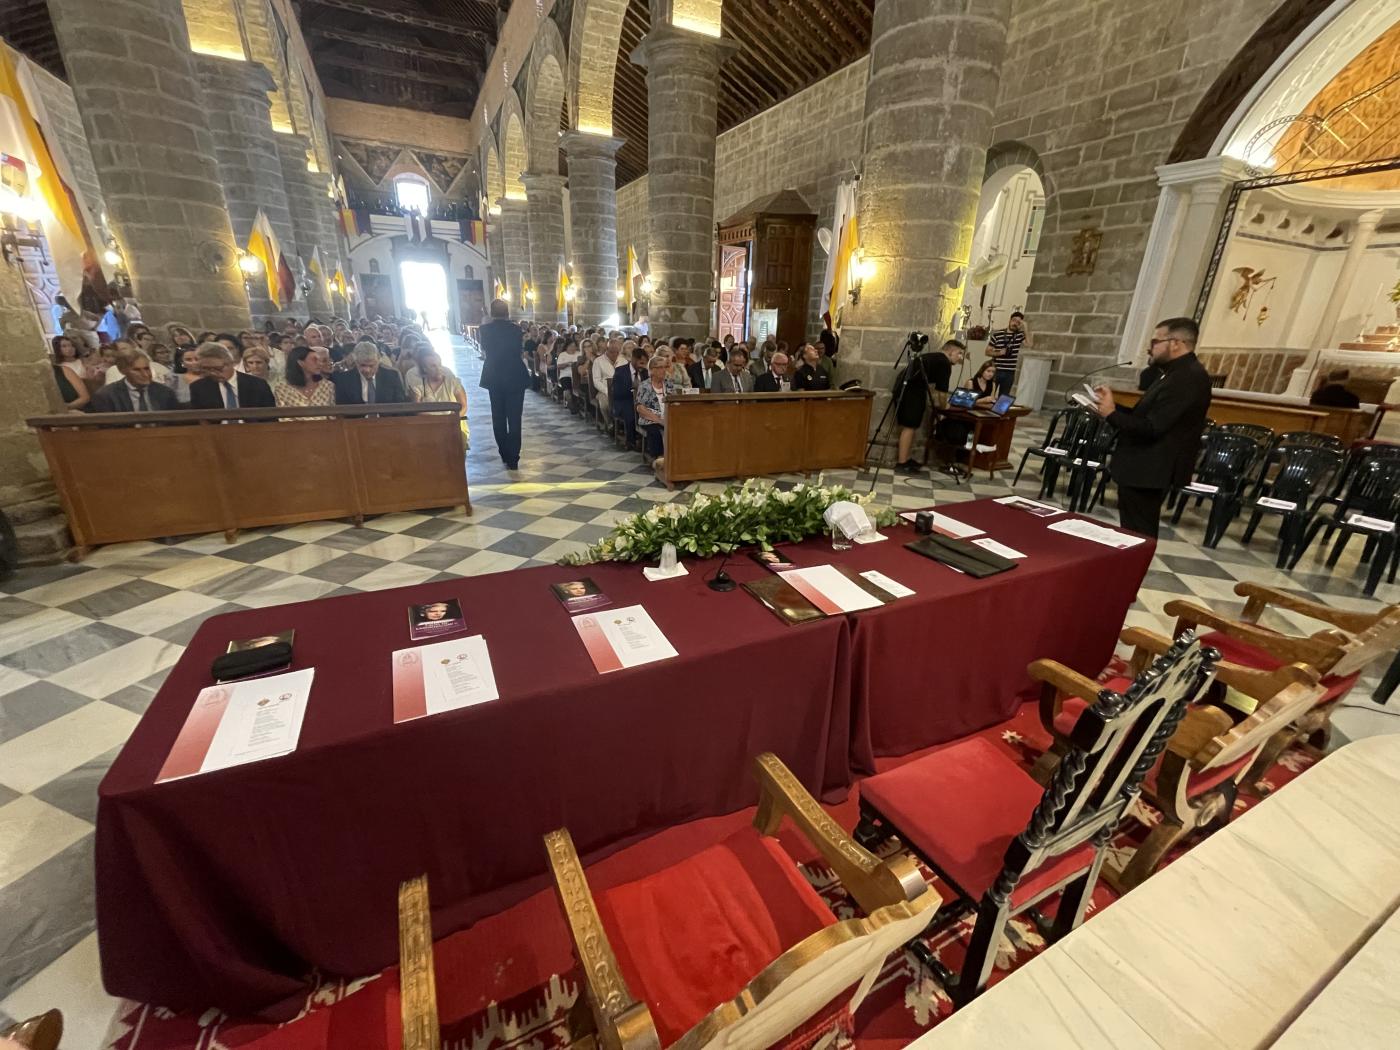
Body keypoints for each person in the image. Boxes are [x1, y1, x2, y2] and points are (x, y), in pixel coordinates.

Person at [1090, 317, 1213, 539]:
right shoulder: (1172, 373)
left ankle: (1133, 573)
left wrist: (1111, 414)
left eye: (1156, 341)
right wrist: (1111, 408)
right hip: (1142, 467)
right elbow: (1144, 416)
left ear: (1176, 343)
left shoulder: (1187, 378)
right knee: (1131, 532)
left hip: (1151, 469)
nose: (1150, 347)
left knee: (1139, 535)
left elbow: (1152, 428)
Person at [895, 338, 965, 473]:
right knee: (910, 426)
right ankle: (902, 463)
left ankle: (905, 459)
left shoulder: (934, 357)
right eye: (959, 353)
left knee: (911, 425)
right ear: (950, 352)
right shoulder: (944, 363)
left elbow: (934, 388)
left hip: (908, 389)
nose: (960, 358)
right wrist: (946, 406)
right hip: (911, 392)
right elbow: (942, 392)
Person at [478, 298, 530, 470]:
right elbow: (518, 350)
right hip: (515, 375)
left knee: (498, 417)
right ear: (507, 312)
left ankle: (504, 452)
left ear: (492, 313)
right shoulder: (516, 330)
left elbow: (485, 348)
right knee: (515, 418)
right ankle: (513, 457)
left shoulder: (485, 330)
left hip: (495, 375)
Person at [408, 347, 469, 447]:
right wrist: (437, 423)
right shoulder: (419, 386)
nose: (438, 369)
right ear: (424, 369)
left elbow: (463, 406)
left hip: (452, 423)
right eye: (433, 366)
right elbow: (417, 408)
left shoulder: (452, 381)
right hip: (429, 427)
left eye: (439, 364)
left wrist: (451, 419)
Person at [188, 343, 275, 409]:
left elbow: (270, 419)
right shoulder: (198, 388)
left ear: (231, 363)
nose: (212, 373)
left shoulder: (258, 385)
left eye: (218, 368)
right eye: (206, 369)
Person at [90, 348, 179, 412]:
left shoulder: (165, 392)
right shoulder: (107, 396)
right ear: (123, 370)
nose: (145, 374)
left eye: (146, 368)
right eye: (137, 370)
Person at [332, 341, 409, 404]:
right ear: (356, 362)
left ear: (379, 361)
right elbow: (342, 411)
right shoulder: (344, 380)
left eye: (371, 366)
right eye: (362, 365)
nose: (367, 370)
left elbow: (400, 406)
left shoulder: (392, 377)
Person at [273, 344, 337, 413]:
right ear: (301, 363)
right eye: (314, 360)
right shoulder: (282, 389)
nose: (320, 364)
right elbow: (283, 418)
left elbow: (332, 415)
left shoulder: (327, 386)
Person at [635, 354, 671, 458]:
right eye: (660, 367)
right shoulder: (645, 386)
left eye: (665, 367)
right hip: (650, 419)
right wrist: (659, 420)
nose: (663, 370)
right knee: (655, 432)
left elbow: (674, 401)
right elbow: (640, 408)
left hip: (667, 417)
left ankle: (675, 457)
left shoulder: (669, 384)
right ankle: (659, 458)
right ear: (651, 370)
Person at [611, 344, 649, 444]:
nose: (642, 365)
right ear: (633, 359)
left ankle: (647, 440)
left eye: (644, 363)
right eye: (640, 363)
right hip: (624, 401)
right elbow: (618, 392)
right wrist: (634, 391)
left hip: (641, 401)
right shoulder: (620, 371)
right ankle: (631, 440)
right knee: (631, 413)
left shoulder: (645, 372)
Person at [987, 311, 1030, 395]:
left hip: (1009, 372)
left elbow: (1029, 344)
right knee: (989, 394)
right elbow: (987, 352)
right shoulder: (997, 334)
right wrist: (999, 353)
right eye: (1014, 320)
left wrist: (1026, 328)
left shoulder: (1019, 335)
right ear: (1010, 320)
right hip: (996, 370)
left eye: (1018, 322)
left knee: (1003, 397)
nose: (1015, 323)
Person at [51, 335, 90, 411]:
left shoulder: (84, 361)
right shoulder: (60, 369)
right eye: (64, 346)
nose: (69, 349)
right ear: (58, 349)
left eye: (71, 345)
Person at [592, 338, 619, 420]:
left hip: (620, 390)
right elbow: (596, 381)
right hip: (604, 391)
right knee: (605, 404)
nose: (614, 354)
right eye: (611, 351)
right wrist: (607, 391)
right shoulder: (598, 361)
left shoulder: (623, 360)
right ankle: (609, 423)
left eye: (617, 351)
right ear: (606, 350)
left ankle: (621, 425)